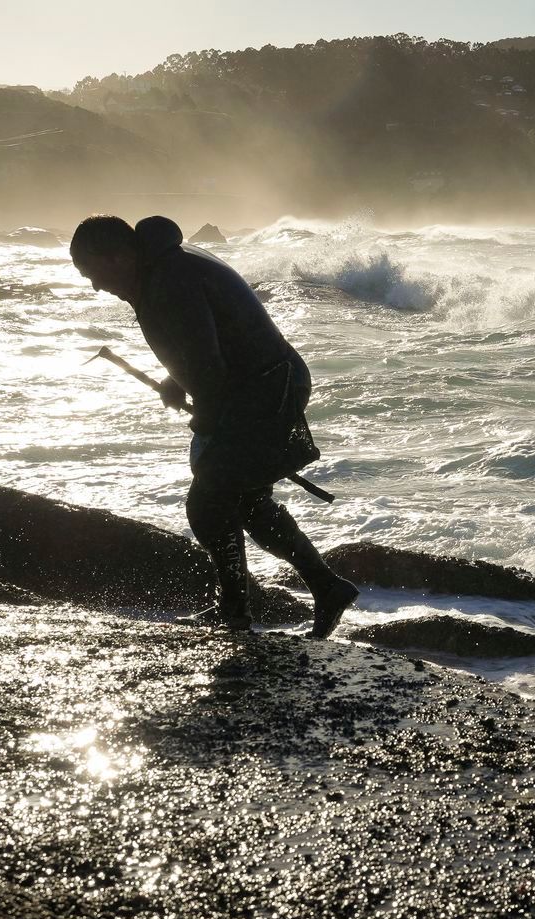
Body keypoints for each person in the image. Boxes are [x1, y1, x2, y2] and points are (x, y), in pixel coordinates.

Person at [69, 214, 358, 637]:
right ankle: (321, 589)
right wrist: (176, 380)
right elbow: (201, 343)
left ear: (118, 256)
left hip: (266, 391)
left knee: (209, 501)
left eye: (92, 272)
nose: (96, 286)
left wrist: (205, 413)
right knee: (244, 500)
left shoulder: (169, 280)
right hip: (264, 386)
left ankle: (241, 609)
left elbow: (207, 361)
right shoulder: (163, 267)